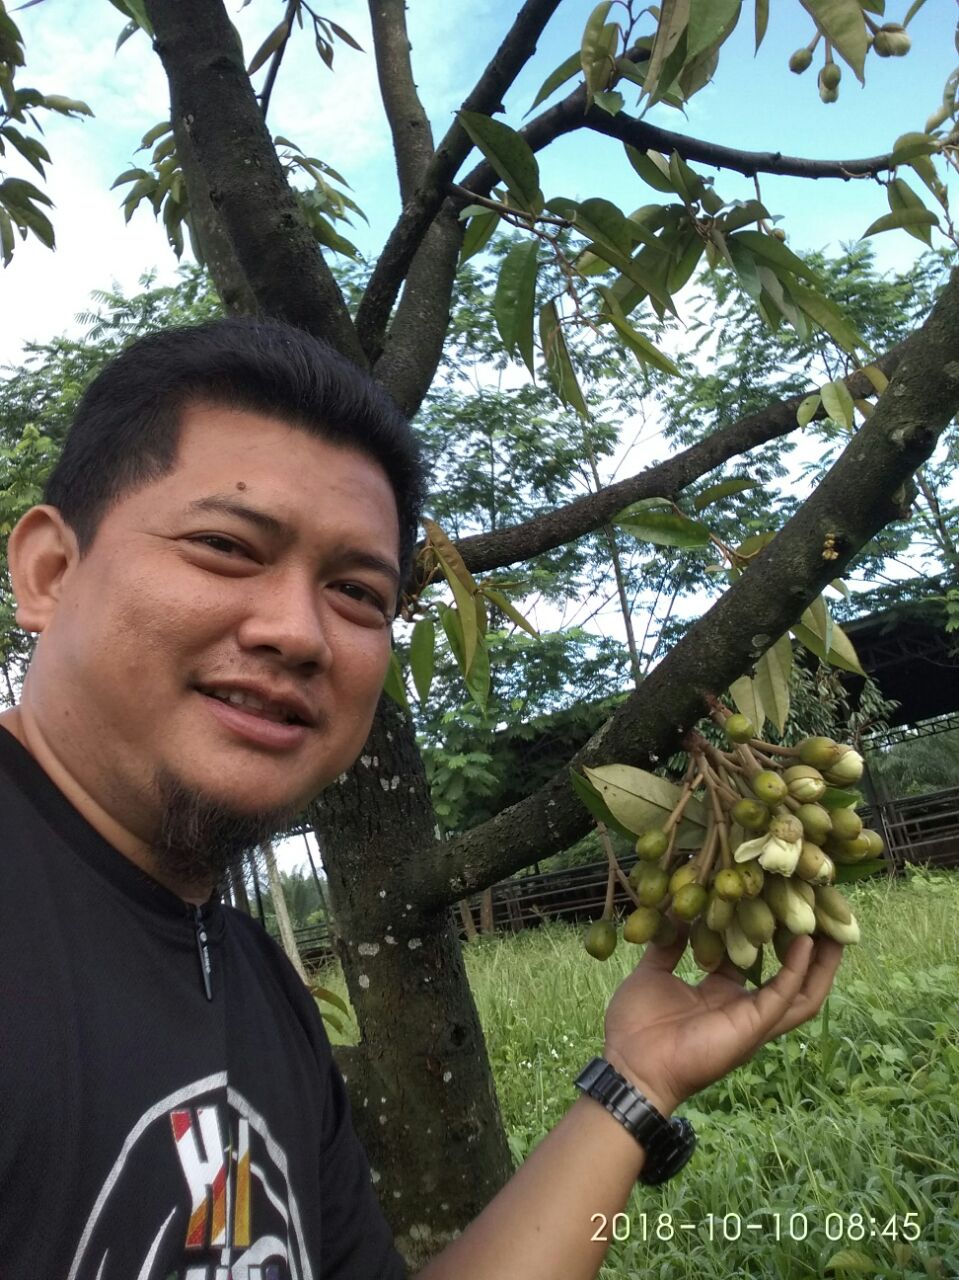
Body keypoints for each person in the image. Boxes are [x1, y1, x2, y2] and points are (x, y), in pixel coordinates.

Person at [0, 316, 842, 1279]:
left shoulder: (259, 988)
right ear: (50, 572)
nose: (298, 632)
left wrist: (636, 1082)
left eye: (358, 593)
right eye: (225, 545)